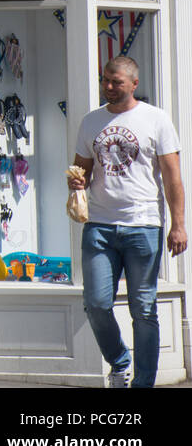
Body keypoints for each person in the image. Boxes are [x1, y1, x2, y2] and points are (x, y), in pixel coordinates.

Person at [69, 55, 186, 388]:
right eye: (105, 80)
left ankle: (143, 382)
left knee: (144, 308)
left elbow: (172, 178)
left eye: (116, 81)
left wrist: (178, 224)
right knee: (95, 303)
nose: (108, 86)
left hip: (144, 225)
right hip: (100, 226)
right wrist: (77, 182)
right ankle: (120, 362)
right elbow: (82, 169)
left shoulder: (156, 120)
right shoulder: (91, 122)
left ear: (134, 84)